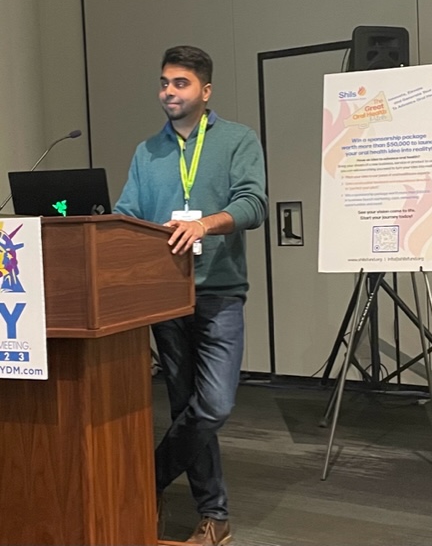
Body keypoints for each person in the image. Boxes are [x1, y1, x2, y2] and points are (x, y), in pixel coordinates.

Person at [114, 45, 267, 546]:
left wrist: (204, 223)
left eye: (180, 83)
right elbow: (127, 213)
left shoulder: (237, 140)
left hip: (219, 293)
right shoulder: (147, 152)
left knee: (214, 405)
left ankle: (149, 477)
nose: (168, 92)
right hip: (164, 299)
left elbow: (253, 203)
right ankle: (214, 517)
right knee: (185, 406)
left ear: (206, 90)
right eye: (164, 82)